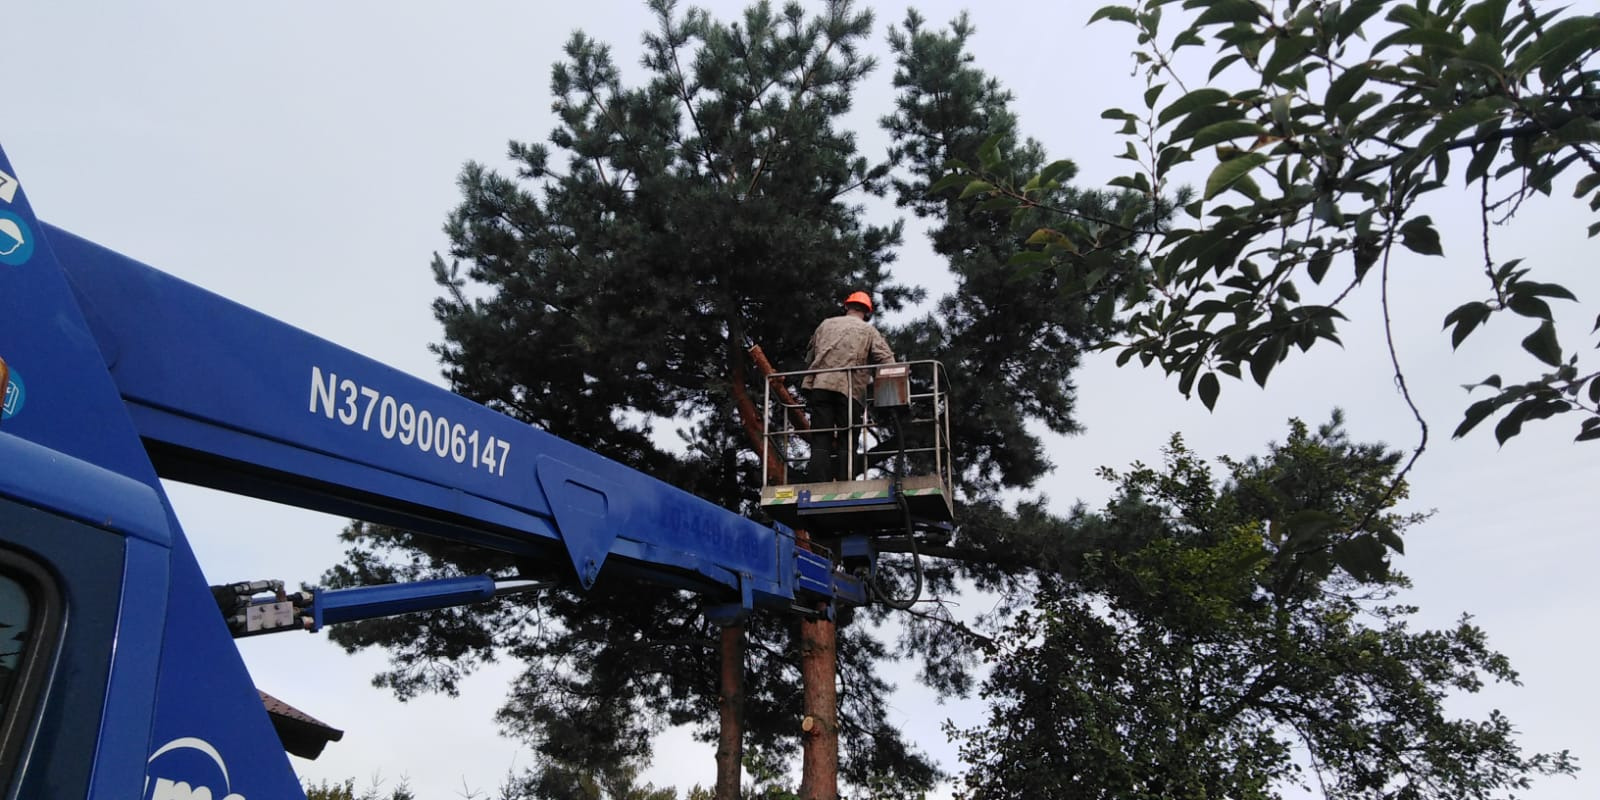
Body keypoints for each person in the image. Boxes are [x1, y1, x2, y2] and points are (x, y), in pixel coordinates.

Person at [802, 291, 895, 482]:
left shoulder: (825, 325)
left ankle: (818, 482)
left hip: (821, 386)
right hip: (849, 391)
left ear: (847, 306)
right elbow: (887, 361)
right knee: (848, 438)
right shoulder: (868, 331)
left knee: (821, 437)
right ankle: (845, 481)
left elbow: (809, 358)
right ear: (867, 312)